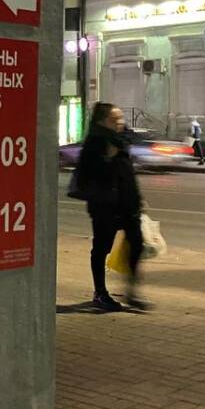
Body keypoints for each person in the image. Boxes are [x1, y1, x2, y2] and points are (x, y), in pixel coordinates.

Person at [76, 102, 148, 311]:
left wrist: (138, 199)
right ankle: (100, 292)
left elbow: (127, 173)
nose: (120, 122)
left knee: (137, 244)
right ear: (102, 121)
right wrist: (106, 158)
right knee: (101, 249)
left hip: (128, 204)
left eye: (121, 118)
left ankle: (131, 291)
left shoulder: (121, 141)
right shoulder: (94, 143)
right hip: (104, 206)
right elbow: (87, 176)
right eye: (114, 119)